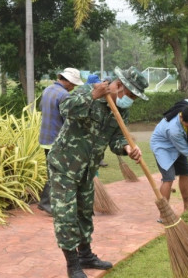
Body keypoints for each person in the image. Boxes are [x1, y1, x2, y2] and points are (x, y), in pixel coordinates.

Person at [47, 66, 149, 278]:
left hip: (87, 170)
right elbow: (65, 109)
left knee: (85, 213)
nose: (132, 100)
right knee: (66, 216)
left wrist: (127, 147)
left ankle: (86, 255)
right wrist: (93, 96)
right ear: (119, 86)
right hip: (64, 165)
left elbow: (117, 138)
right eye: (131, 95)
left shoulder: (121, 109)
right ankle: (73, 265)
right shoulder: (88, 91)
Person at [38, 68, 84, 215]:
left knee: (52, 171)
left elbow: (41, 108)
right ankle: (46, 203)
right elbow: (68, 119)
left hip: (45, 138)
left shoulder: (48, 90)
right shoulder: (64, 95)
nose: (74, 87)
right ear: (68, 81)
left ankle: (44, 203)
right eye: (73, 84)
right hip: (56, 139)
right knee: (57, 173)